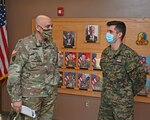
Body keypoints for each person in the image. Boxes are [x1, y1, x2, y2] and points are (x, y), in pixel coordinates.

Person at [7, 15, 60, 120]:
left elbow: (55, 67)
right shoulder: (24, 44)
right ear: (38, 28)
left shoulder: (52, 45)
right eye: (47, 26)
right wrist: (16, 98)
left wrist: (55, 85)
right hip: (30, 97)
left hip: (49, 94)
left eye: (51, 26)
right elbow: (14, 73)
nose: (50, 29)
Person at [98, 21, 146, 120]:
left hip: (123, 106)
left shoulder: (129, 55)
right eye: (107, 31)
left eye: (111, 32)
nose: (108, 34)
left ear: (119, 34)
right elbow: (105, 75)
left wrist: (126, 93)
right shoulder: (105, 53)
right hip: (106, 103)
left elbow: (140, 80)